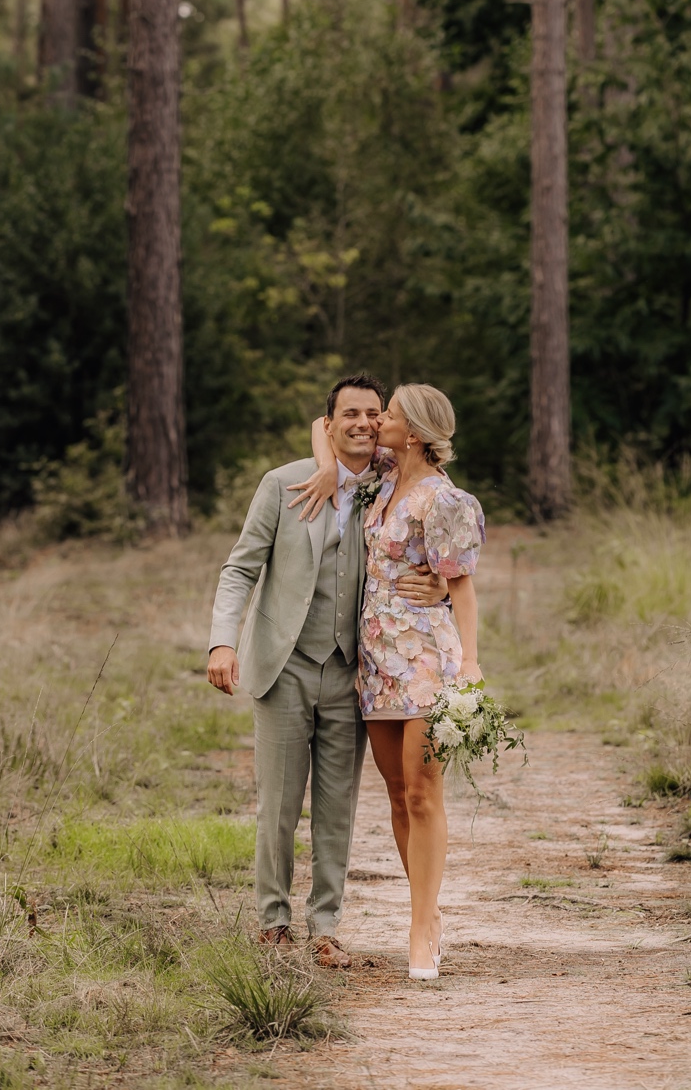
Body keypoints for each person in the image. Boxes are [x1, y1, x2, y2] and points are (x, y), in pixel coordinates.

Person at [206, 374, 450, 968]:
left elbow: (428, 542)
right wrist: (222, 644)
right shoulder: (282, 484)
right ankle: (272, 921)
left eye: (374, 413)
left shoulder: (390, 486)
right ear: (330, 421)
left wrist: (441, 582)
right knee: (279, 806)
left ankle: (325, 928)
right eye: (351, 414)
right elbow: (240, 570)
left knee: (338, 806)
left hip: (353, 672)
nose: (364, 423)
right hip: (283, 666)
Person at [305, 383, 484, 980]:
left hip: (429, 662)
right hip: (377, 665)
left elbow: (460, 586)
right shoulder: (383, 477)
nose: (376, 420)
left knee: (422, 792)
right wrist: (330, 471)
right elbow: (317, 423)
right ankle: (427, 913)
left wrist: (472, 665)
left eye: (389, 414)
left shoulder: (443, 500)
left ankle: (421, 928)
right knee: (396, 795)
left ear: (412, 432)